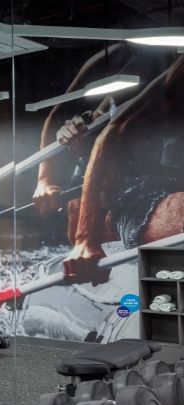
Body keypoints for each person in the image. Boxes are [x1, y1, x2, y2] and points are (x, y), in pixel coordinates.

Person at [61, 54, 184, 284]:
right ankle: (101, 225)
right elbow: (110, 134)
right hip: (142, 200)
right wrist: (85, 239)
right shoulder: (172, 76)